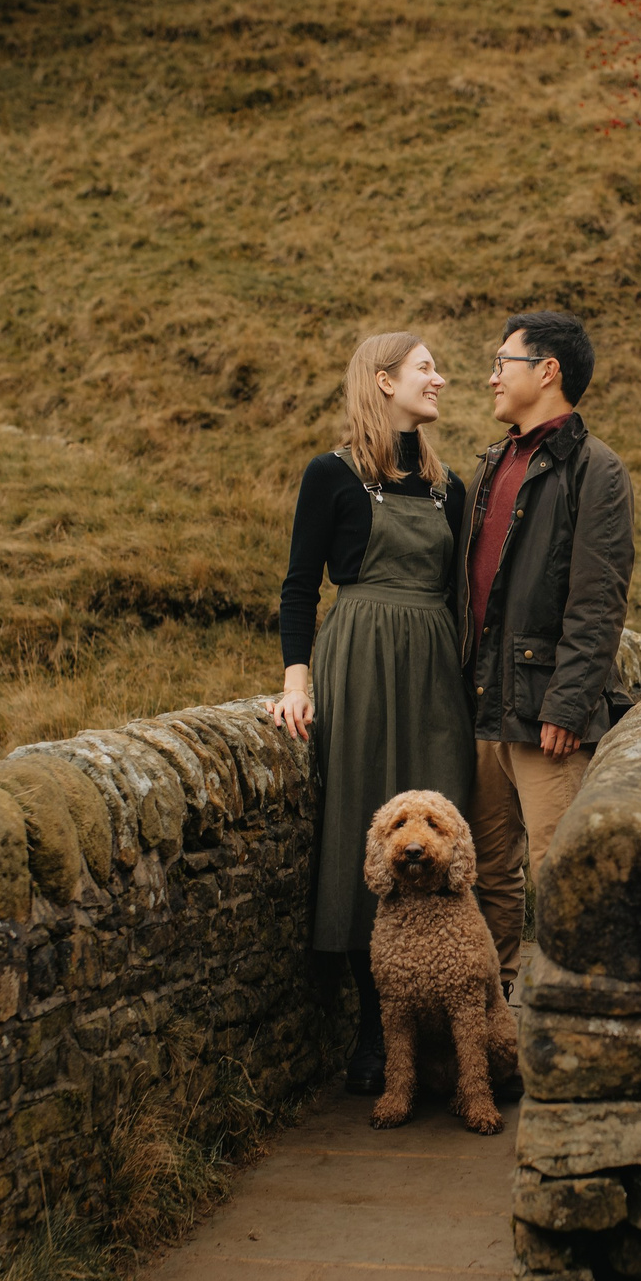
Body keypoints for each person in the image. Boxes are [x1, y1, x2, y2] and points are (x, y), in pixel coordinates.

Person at [271, 333, 475, 1096]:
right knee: (364, 823)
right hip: (356, 660)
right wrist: (298, 683)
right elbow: (298, 587)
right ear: (384, 380)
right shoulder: (329, 475)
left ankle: (449, 1032)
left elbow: (461, 595)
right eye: (427, 368)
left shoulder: (448, 485)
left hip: (432, 668)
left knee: (442, 830)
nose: (440, 379)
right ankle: (370, 1025)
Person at [457, 311, 635, 990]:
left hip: (546, 720)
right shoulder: (493, 462)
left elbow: (597, 602)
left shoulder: (597, 471)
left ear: (547, 370)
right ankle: (493, 1033)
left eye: (505, 360)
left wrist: (567, 703)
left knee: (557, 876)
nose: (493, 374)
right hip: (481, 709)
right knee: (485, 877)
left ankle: (572, 1037)